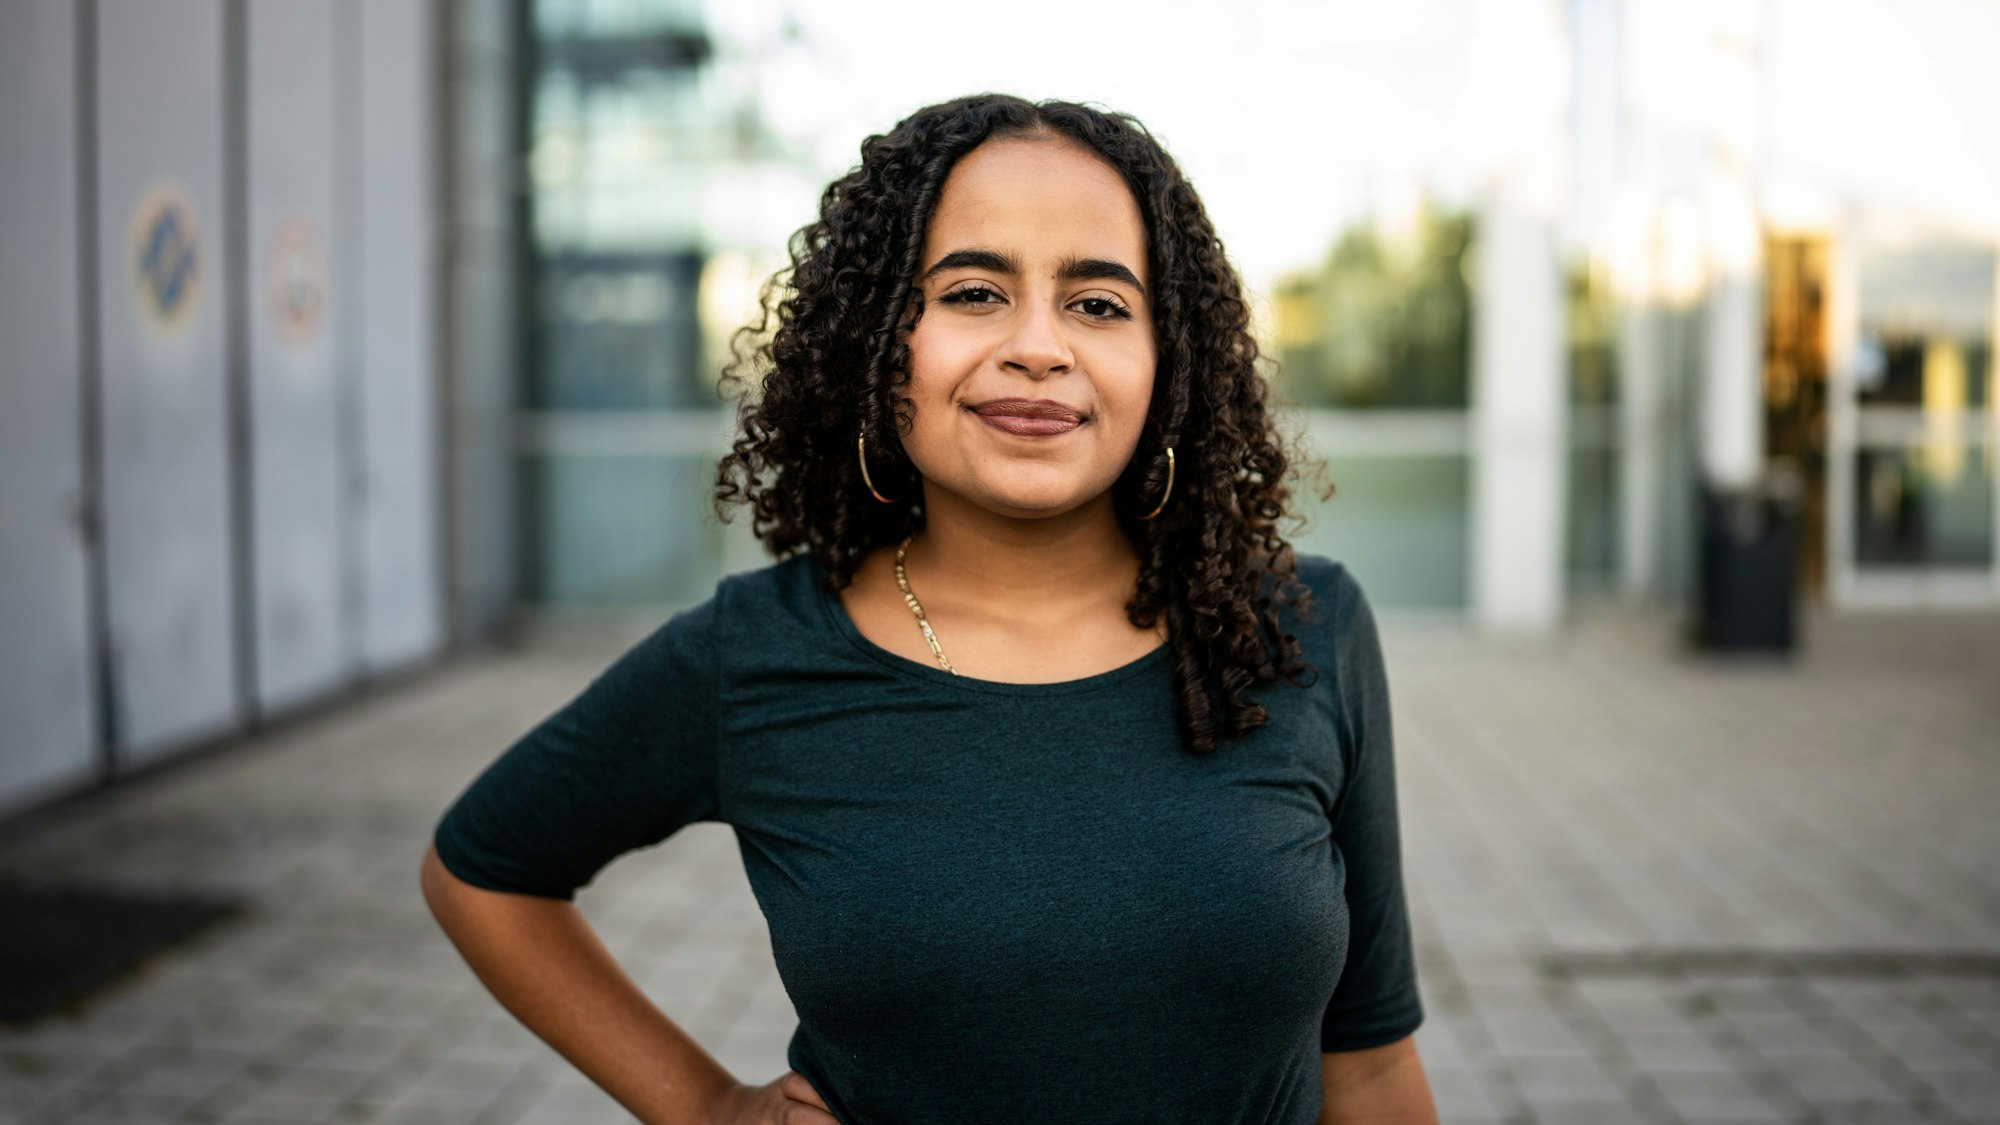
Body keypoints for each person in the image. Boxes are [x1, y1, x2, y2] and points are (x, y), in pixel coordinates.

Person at [421, 93, 1436, 1125]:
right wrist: (710, 1106)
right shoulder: (758, 651)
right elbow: (485, 872)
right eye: (973, 292)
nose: (1038, 346)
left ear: (1166, 360)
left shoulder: (1300, 626)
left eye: (1097, 304)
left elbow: (1368, 1064)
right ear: (878, 340)